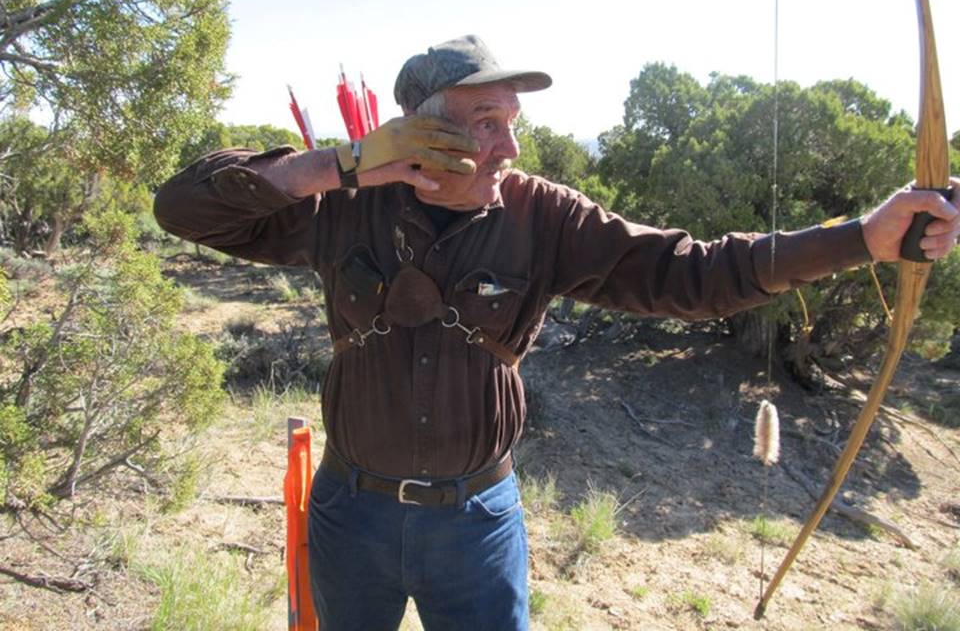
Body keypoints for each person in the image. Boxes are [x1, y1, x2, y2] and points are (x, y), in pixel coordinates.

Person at [154, 35, 959, 631]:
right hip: (349, 514)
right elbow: (181, 208)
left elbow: (696, 272)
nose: (510, 144)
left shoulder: (546, 216)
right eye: (484, 122)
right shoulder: (342, 205)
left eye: (514, 121)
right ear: (418, 132)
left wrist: (863, 238)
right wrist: (341, 162)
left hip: (476, 524)